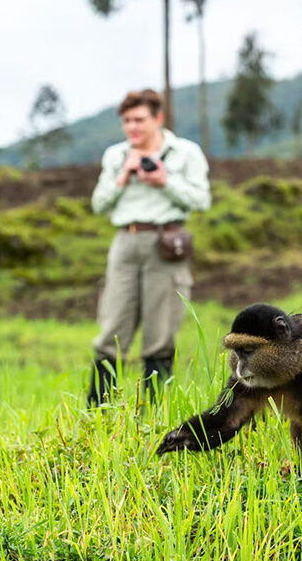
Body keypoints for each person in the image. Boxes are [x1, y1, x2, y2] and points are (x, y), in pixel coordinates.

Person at [88, 89, 211, 406]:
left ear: (158, 118)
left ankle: (155, 413)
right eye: (127, 121)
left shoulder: (185, 152)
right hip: (125, 243)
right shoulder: (115, 155)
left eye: (139, 119)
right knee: (111, 328)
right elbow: (98, 204)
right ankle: (97, 413)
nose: (133, 127)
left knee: (160, 332)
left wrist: (164, 181)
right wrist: (123, 174)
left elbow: (202, 199)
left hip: (166, 244)